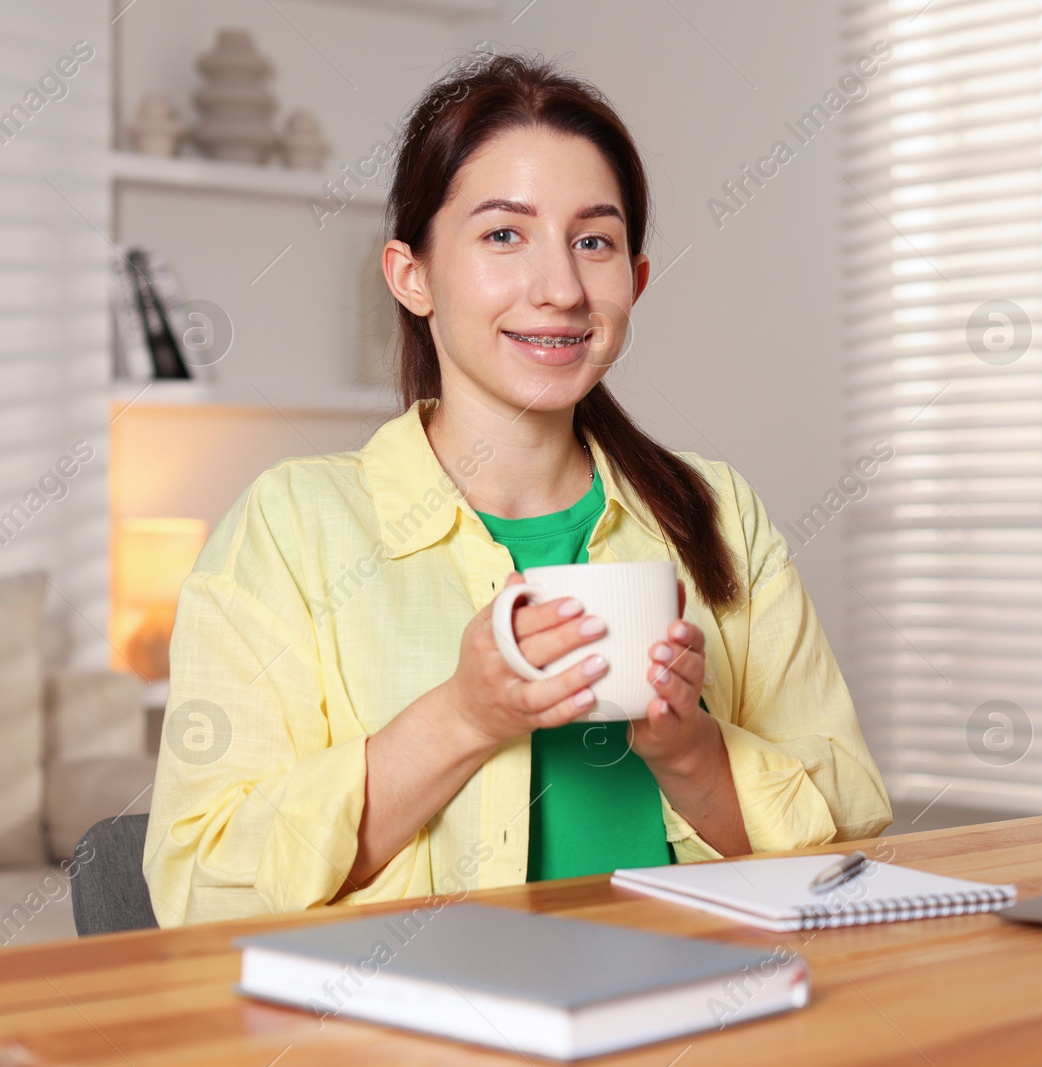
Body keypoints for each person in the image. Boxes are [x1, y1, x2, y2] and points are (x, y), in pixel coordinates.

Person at [142, 51, 891, 926]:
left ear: (635, 282)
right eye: (504, 234)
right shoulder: (290, 529)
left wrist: (694, 753)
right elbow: (198, 887)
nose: (563, 289)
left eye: (594, 241)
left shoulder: (718, 515)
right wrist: (463, 716)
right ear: (410, 275)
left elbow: (854, 849)